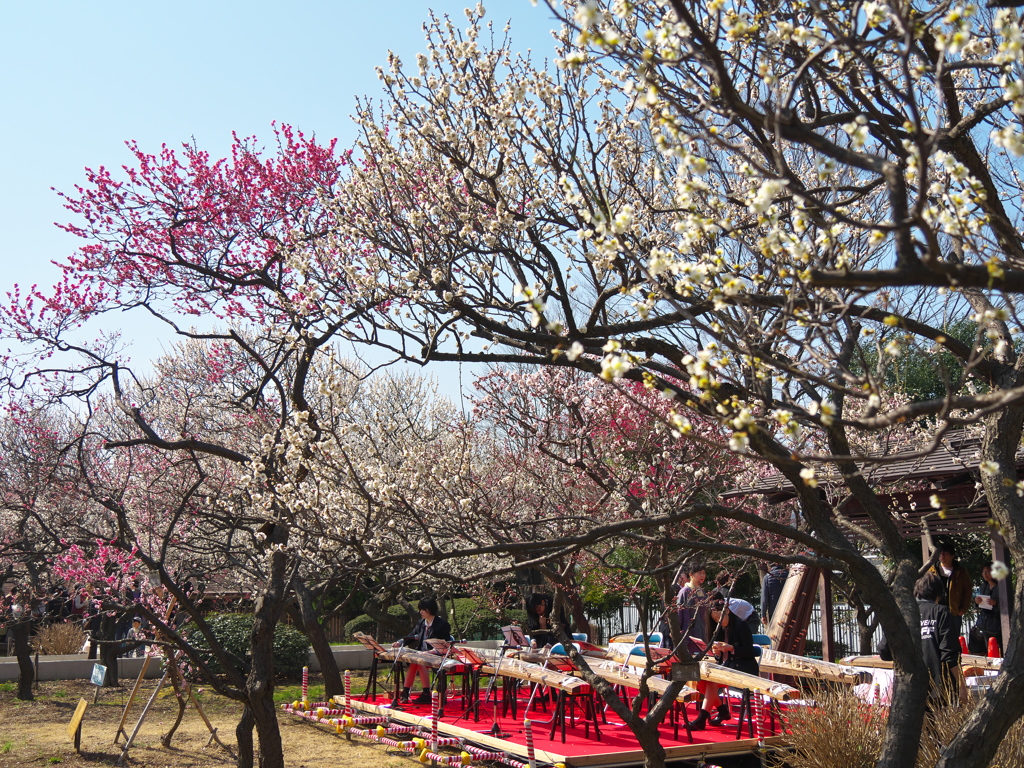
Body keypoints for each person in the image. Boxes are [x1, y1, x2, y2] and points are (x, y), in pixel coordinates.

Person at [690, 597, 760, 729]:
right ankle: (722, 711)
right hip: (728, 666)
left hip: (743, 668)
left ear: (727, 611)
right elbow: (721, 657)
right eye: (716, 620)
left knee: (712, 682)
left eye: (720, 618)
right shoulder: (720, 629)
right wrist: (717, 653)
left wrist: (731, 648)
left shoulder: (741, 625)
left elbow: (749, 651)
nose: (719, 622)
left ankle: (703, 718)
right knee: (702, 682)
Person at [393, 596, 451, 705]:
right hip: (422, 654)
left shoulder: (442, 625)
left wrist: (429, 652)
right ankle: (410, 693)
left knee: (419, 661)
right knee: (415, 661)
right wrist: (400, 642)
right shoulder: (421, 623)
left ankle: (419, 692)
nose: (421, 612)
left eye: (423, 609)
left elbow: (445, 645)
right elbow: (412, 635)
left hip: (436, 655)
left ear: (429, 610)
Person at [913, 571, 961, 701]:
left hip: (909, 688)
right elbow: (950, 654)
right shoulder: (941, 612)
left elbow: (885, 650)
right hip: (939, 688)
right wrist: (962, 686)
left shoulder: (903, 612)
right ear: (939, 594)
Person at [929, 541, 972, 633]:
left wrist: (963, 610)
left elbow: (967, 591)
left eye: (946, 553)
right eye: (941, 553)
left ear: (952, 556)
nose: (942, 556)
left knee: (953, 639)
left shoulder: (960, 571)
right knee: (936, 638)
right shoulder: (932, 570)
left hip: (954, 611)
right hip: (936, 611)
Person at [970, 561, 1003, 656]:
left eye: (988, 571)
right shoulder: (983, 586)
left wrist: (996, 603)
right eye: (983, 572)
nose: (985, 574)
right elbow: (976, 603)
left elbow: (1008, 603)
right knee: (989, 648)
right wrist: (977, 602)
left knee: (999, 647)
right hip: (985, 623)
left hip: (997, 623)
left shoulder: (1001, 586)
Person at [678, 563, 710, 642]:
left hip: (702, 632)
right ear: (691, 575)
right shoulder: (685, 591)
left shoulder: (703, 592)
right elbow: (679, 613)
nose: (702, 575)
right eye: (699, 573)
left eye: (703, 573)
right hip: (688, 632)